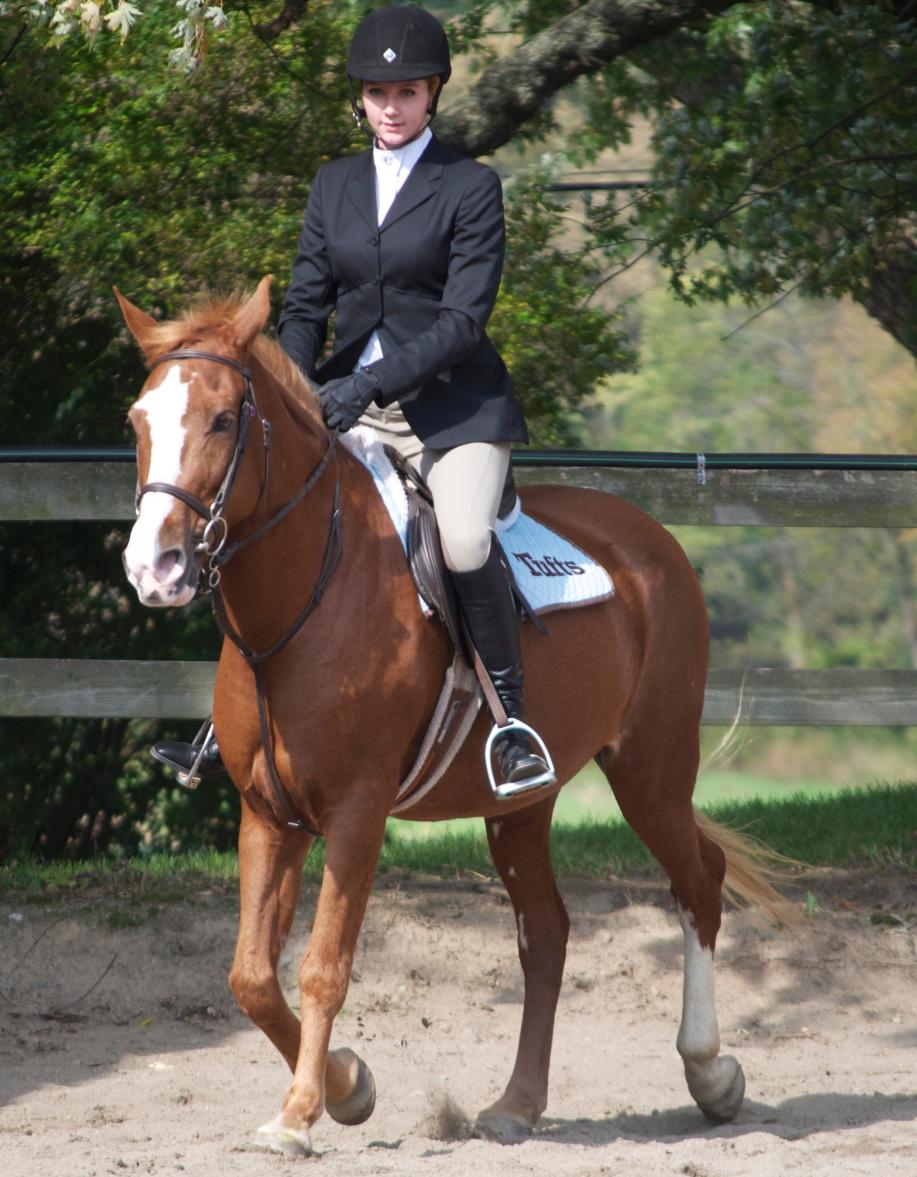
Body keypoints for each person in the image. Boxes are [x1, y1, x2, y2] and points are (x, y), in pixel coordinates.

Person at [153, 4, 553, 794]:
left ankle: (511, 724)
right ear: (360, 100)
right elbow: (304, 308)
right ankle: (223, 725)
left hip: (450, 413)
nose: (392, 106)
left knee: (466, 540)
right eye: (377, 93)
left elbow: (462, 322)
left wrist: (366, 385)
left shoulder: (468, 188)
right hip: (337, 403)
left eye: (407, 91)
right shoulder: (333, 185)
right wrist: (291, 390)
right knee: (259, 515)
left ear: (433, 92)